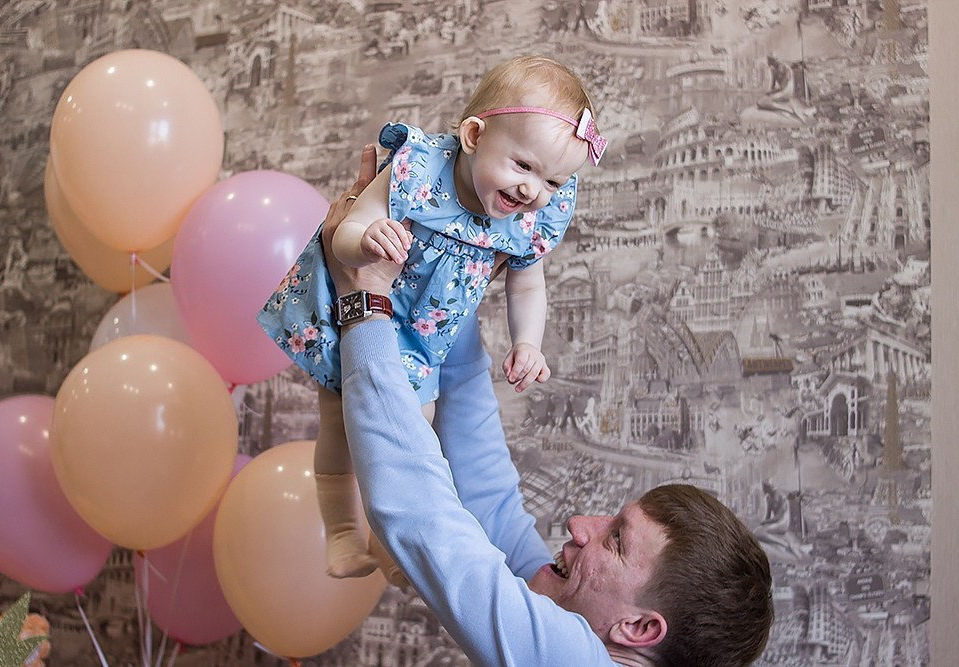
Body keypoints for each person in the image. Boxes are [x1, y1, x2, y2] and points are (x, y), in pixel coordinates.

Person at [320, 147, 774, 666]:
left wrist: (364, 294)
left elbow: (421, 517)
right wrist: (443, 291)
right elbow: (487, 498)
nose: (580, 524)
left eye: (617, 541)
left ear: (641, 627)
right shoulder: (568, 607)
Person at [259, 55, 607, 580]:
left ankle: (385, 541)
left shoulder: (531, 215)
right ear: (472, 136)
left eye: (554, 182)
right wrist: (367, 238)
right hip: (350, 314)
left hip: (422, 340)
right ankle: (342, 533)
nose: (534, 191)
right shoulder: (419, 170)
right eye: (524, 167)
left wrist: (528, 342)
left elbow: (528, 281)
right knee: (338, 421)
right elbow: (345, 233)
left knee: (406, 444)